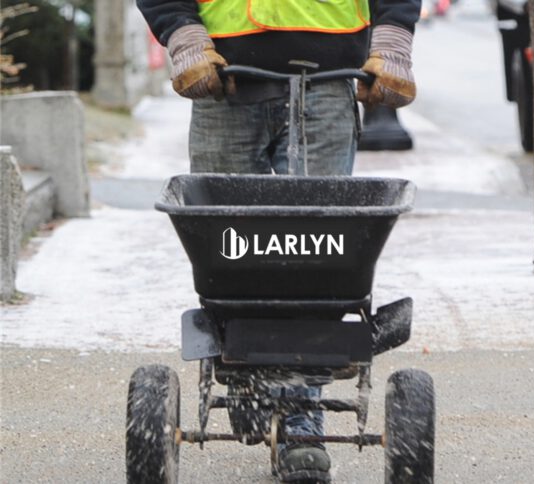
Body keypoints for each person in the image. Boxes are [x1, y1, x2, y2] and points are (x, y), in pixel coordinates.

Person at [136, 0, 421, 481]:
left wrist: (393, 36)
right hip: (221, 77)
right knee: (232, 246)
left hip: (328, 82)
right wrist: (182, 31)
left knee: (315, 253)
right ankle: (246, 376)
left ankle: (300, 421)